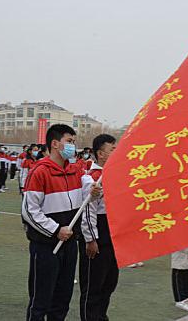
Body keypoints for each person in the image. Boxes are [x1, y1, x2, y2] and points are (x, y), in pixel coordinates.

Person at [21, 124, 84, 321]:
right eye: (69, 142)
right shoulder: (40, 171)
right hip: (47, 246)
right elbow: (30, 211)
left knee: (62, 298)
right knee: (41, 300)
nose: (73, 146)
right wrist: (55, 230)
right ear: (55, 144)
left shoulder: (75, 171)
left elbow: (88, 187)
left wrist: (95, 191)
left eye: (74, 142)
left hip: (70, 244)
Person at [80, 134, 119, 321]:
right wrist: (91, 239)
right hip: (98, 235)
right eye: (113, 149)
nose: (116, 152)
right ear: (100, 154)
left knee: (109, 282)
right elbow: (88, 211)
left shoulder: (115, 174)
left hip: (112, 235)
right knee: (93, 285)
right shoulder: (91, 178)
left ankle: (101, 317)